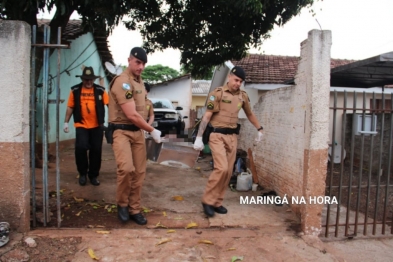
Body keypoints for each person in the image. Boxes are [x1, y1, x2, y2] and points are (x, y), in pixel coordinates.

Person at [193, 66, 264, 217]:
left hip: (232, 137)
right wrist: (199, 137)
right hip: (217, 135)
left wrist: (260, 129)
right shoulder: (217, 93)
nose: (238, 83)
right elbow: (207, 116)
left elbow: (250, 114)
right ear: (229, 77)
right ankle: (207, 200)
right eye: (236, 80)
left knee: (228, 172)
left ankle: (217, 202)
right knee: (221, 168)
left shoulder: (243, 96)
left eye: (241, 81)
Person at [108, 47, 162, 225]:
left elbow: (142, 110)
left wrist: (147, 129)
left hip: (137, 132)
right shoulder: (122, 82)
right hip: (121, 131)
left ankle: (134, 208)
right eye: (138, 62)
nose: (141, 67)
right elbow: (131, 115)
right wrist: (152, 130)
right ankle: (122, 204)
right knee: (126, 169)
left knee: (139, 173)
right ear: (129, 60)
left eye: (144, 64)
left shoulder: (139, 82)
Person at [63, 66, 109, 186]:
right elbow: (70, 107)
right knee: (81, 148)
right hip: (81, 125)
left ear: (93, 79)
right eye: (86, 79)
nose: (88, 82)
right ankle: (82, 173)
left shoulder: (101, 90)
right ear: (82, 79)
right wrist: (66, 122)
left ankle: (93, 175)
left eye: (90, 79)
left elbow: (110, 105)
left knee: (96, 150)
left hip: (97, 126)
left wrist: (114, 121)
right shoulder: (75, 90)